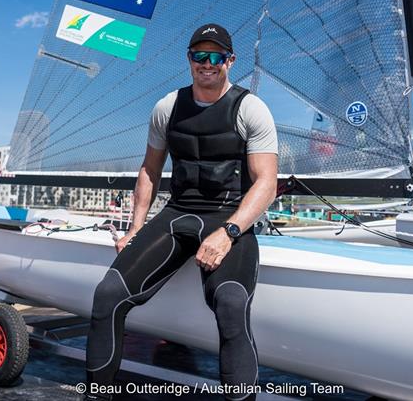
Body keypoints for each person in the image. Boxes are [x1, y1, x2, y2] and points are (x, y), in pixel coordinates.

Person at [84, 23, 278, 401]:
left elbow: (266, 183)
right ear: (188, 59)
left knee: (231, 303)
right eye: (198, 56)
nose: (207, 63)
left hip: (228, 217)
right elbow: (150, 170)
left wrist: (230, 233)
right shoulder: (167, 107)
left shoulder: (250, 108)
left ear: (230, 61)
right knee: (108, 294)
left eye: (215, 56)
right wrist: (136, 228)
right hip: (178, 212)